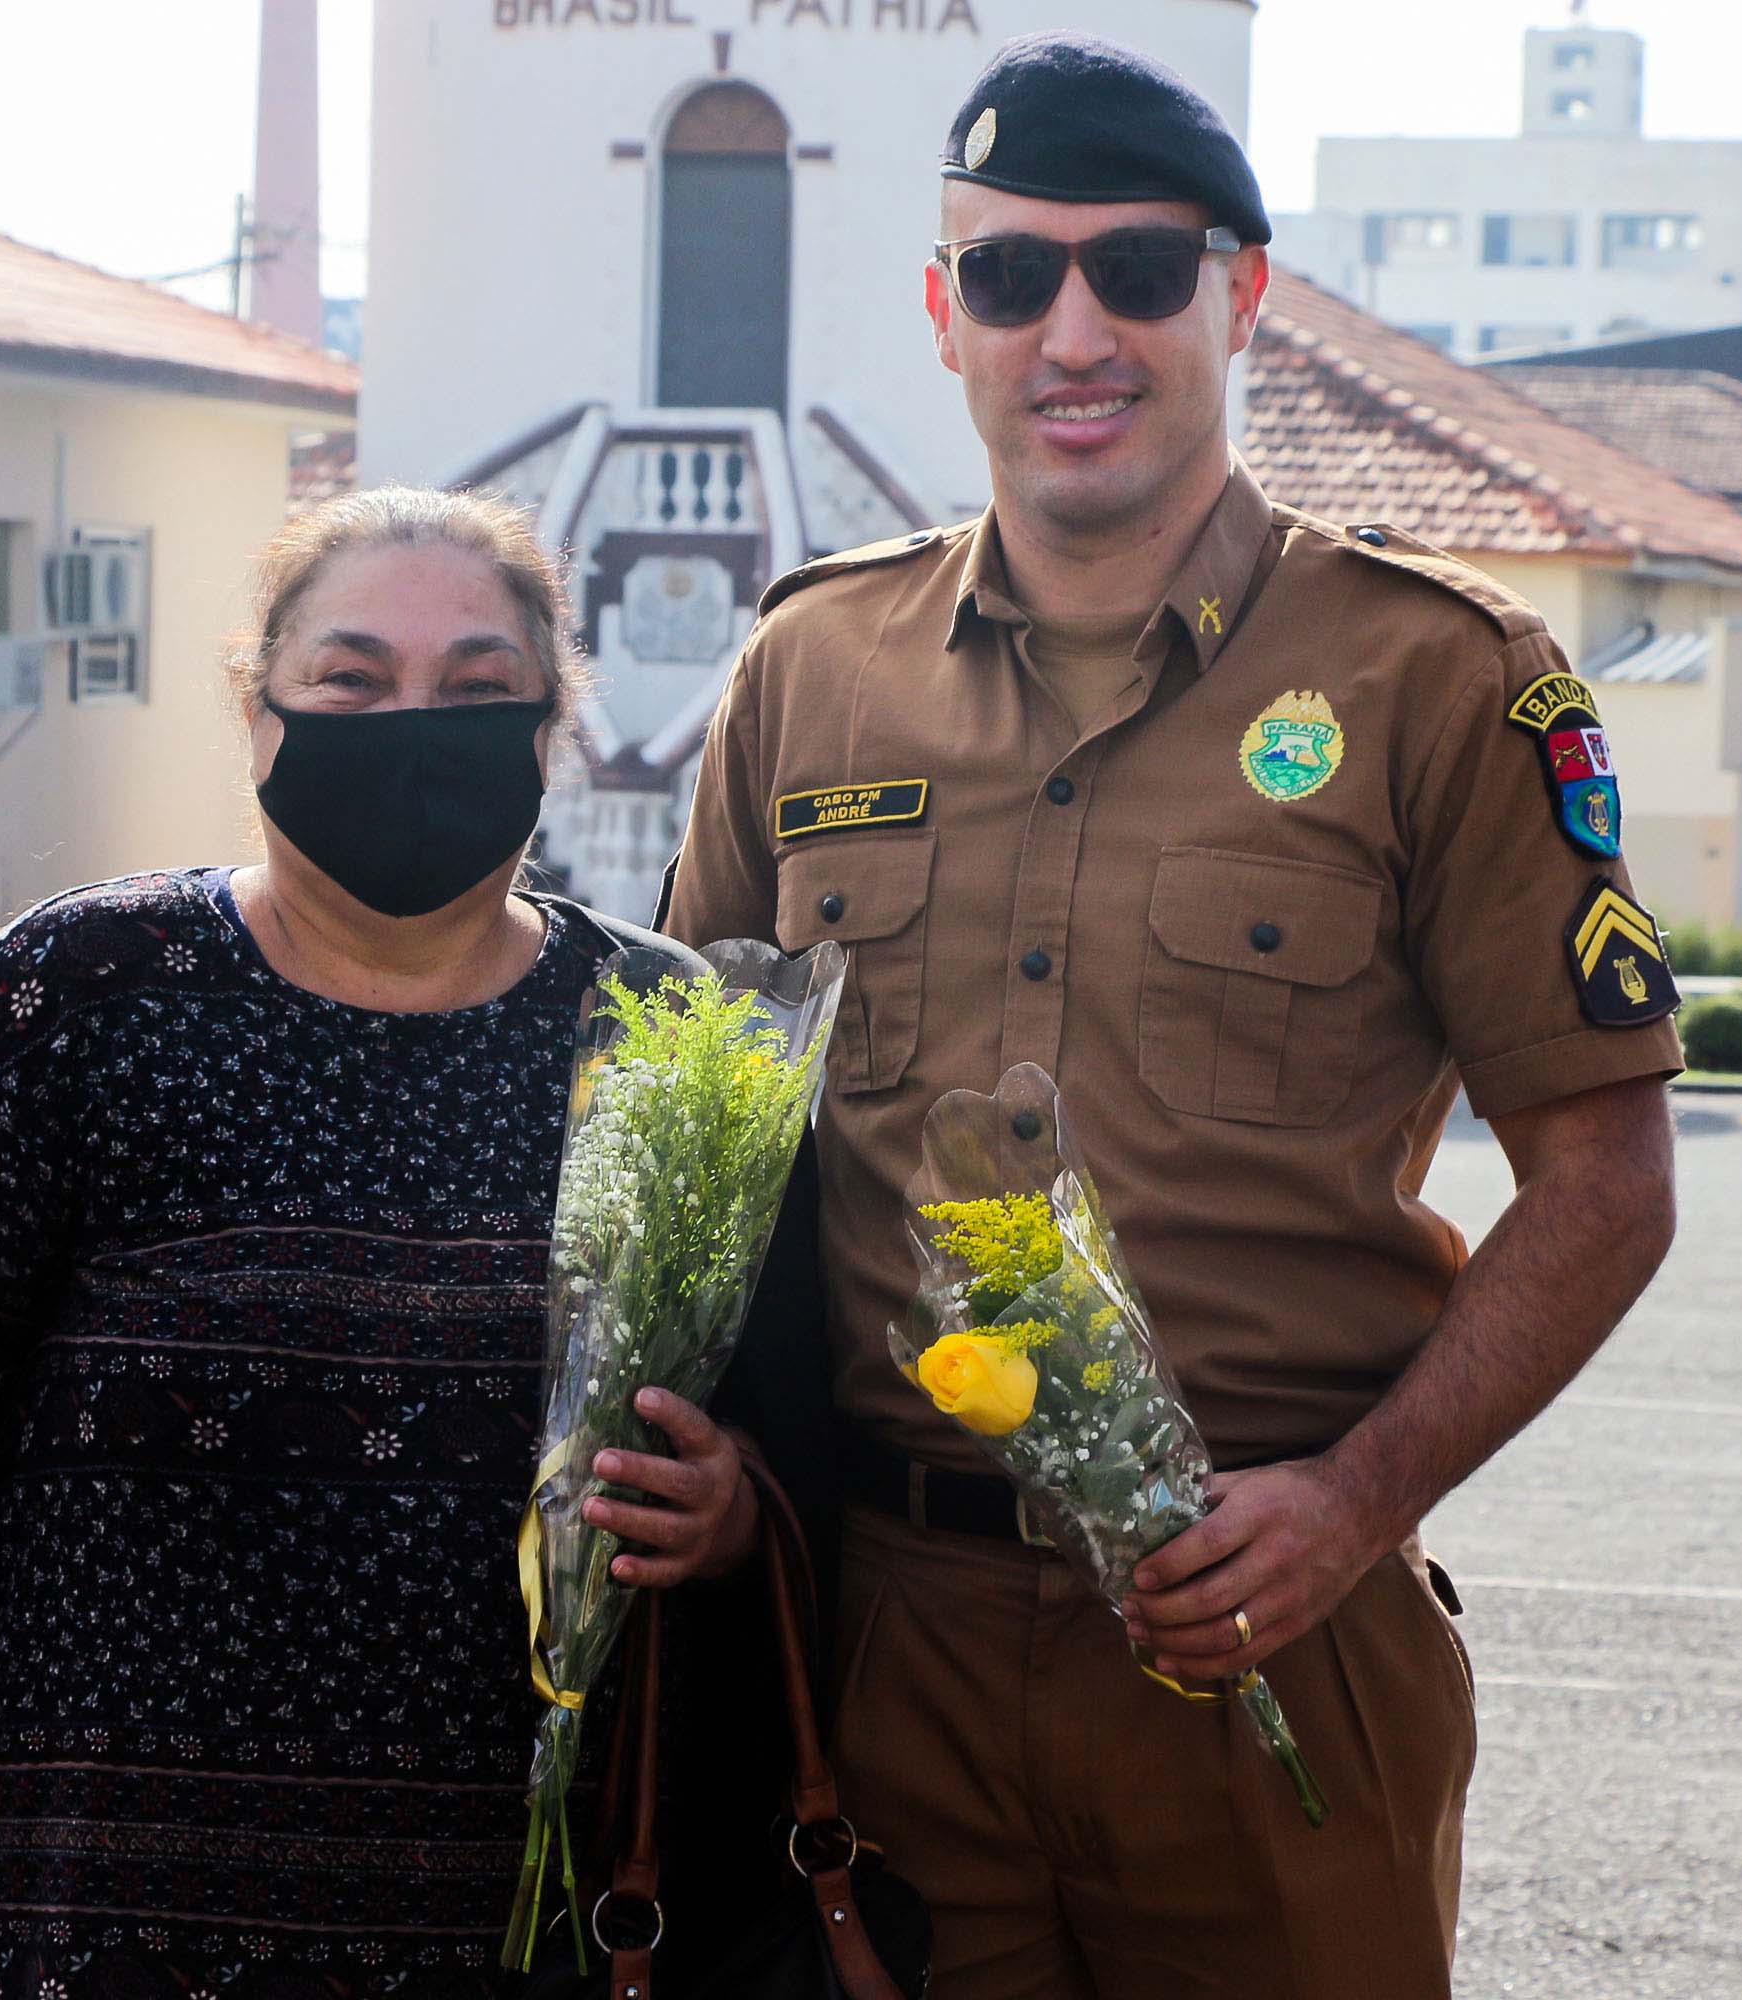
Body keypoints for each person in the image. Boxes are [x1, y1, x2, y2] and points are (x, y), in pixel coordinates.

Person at [663, 32, 1683, 1999]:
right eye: (1017, 273)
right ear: (945, 313)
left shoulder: (1437, 676)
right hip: (888, 1655)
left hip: (1269, 1622)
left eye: (1139, 271)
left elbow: (1607, 1174)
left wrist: (1358, 1501)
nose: (1079, 330)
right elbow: (706, 1141)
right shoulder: (810, 669)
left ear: (1242, 298)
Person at [0, 487, 758, 2000]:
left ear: (553, 723)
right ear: (257, 705)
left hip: (529, 1926)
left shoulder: (671, 1038)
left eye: (478, 688)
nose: (411, 723)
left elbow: (801, 1438)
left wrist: (735, 1507)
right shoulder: (72, 999)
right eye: (351, 681)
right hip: (79, 1908)